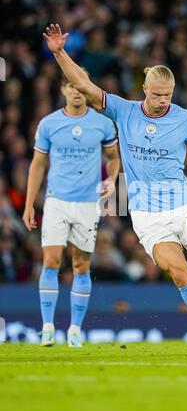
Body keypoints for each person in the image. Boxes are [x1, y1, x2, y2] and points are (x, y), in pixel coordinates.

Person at [43, 24, 187, 328]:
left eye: (167, 95)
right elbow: (85, 85)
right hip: (147, 216)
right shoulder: (124, 110)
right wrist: (60, 53)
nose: (162, 101)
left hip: (182, 207)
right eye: (156, 95)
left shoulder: (185, 119)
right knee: (181, 273)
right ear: (145, 89)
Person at [22, 69, 120, 347]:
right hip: (56, 201)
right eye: (71, 86)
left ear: (87, 88)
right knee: (51, 261)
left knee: (81, 265)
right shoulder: (49, 124)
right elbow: (37, 165)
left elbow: (113, 158)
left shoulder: (102, 124)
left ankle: (75, 330)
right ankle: (49, 327)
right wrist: (30, 204)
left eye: (81, 86)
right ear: (63, 90)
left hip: (88, 203)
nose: (77, 91)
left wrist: (111, 180)